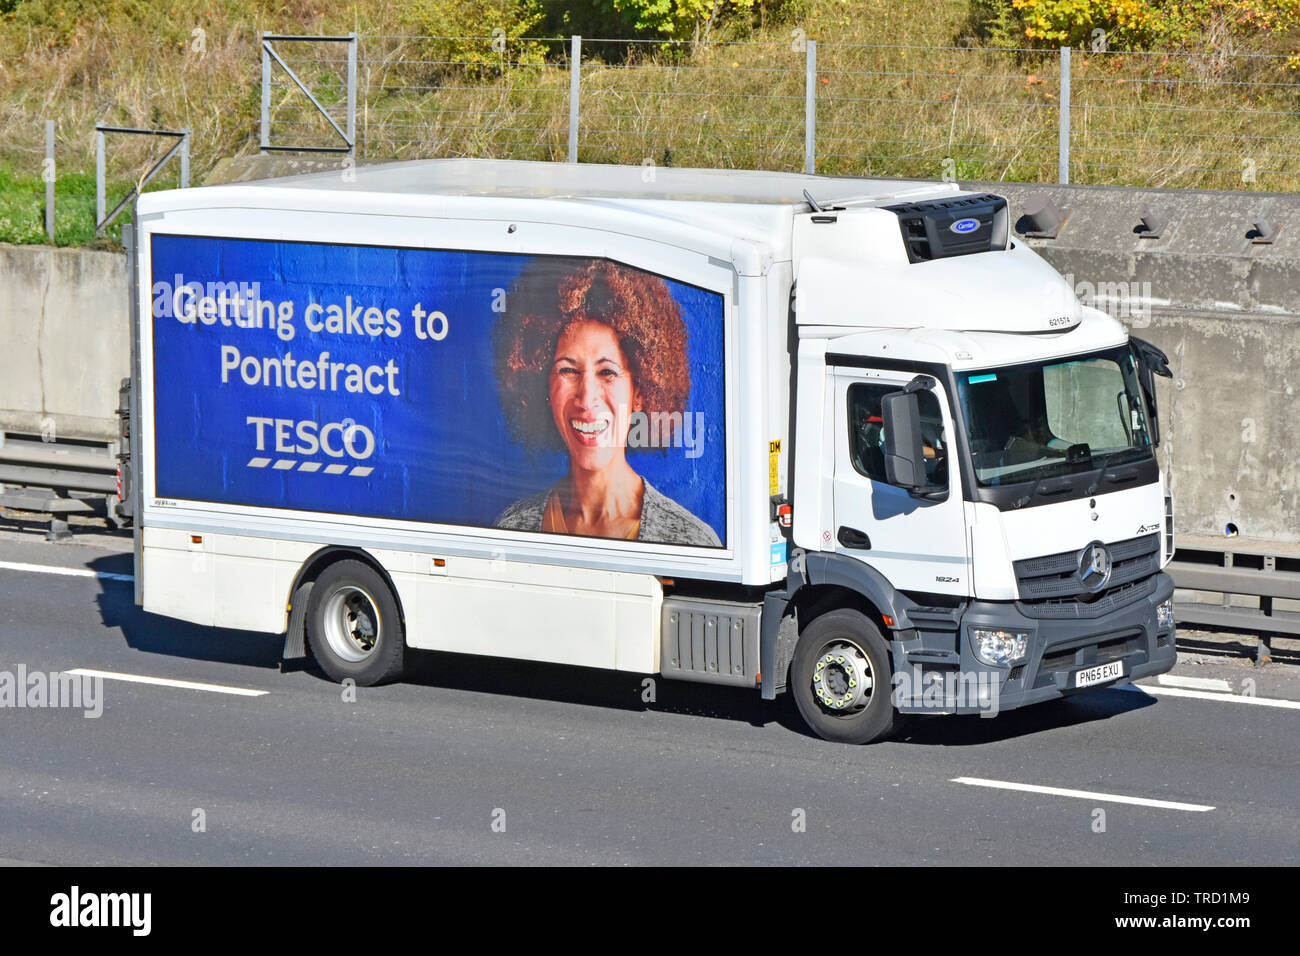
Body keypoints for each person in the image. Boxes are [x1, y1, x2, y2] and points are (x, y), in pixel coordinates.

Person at [492, 258, 721, 547]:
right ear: (542, 386)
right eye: (568, 370)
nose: (587, 398)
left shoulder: (691, 542)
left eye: (607, 372)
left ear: (640, 392)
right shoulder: (512, 530)